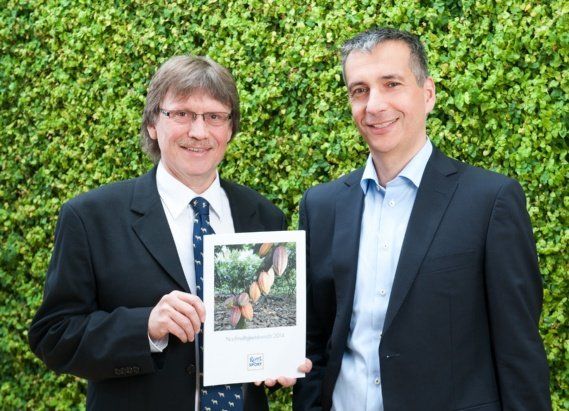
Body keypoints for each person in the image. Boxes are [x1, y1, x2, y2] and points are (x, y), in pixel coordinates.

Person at [29, 55, 309, 411]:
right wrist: (145, 327)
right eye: (181, 114)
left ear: (230, 129)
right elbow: (53, 336)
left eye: (214, 117)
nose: (199, 131)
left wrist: (278, 362)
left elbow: (266, 329)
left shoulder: (262, 216)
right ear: (151, 124)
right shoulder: (91, 218)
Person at [293, 28, 551, 411]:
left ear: (427, 93)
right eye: (359, 90)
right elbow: (314, 341)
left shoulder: (490, 202)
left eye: (391, 84)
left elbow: (518, 353)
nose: (374, 105)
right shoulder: (322, 206)